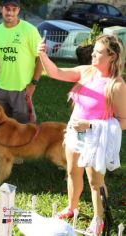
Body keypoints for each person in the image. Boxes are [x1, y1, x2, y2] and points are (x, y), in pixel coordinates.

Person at [37, 34, 126, 235]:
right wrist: (42, 55)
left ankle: (98, 219)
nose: (92, 53)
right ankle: (71, 207)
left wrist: (91, 126)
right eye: (94, 50)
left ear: (112, 56)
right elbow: (56, 72)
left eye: (98, 51)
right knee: (72, 172)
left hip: (95, 139)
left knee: (95, 182)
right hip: (74, 134)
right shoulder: (87, 72)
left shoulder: (117, 85)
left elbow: (123, 122)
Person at [0, 0, 43, 124]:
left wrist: (33, 84)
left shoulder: (30, 30)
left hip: (22, 89)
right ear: (0, 9)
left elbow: (41, 58)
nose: (10, 12)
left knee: (24, 129)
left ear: (18, 10)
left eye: (14, 9)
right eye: (7, 8)